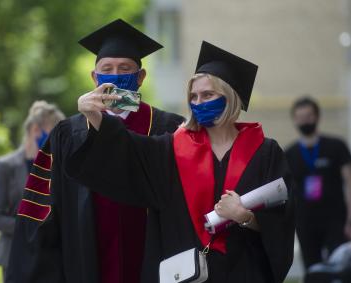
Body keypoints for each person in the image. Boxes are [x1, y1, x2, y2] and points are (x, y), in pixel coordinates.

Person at [66, 41, 295, 283]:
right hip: (187, 273)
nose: (198, 103)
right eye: (193, 96)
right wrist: (94, 115)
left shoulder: (264, 152)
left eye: (208, 95)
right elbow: (126, 149)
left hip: (244, 272)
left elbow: (282, 220)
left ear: (229, 97)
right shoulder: (172, 149)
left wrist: (244, 216)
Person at [6, 19, 184, 283]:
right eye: (107, 69)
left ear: (141, 77)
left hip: (152, 260)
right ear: (94, 77)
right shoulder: (66, 134)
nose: (115, 75)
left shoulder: (169, 128)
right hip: (86, 261)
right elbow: (40, 211)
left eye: (124, 68)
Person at [0, 100, 65, 281]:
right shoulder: (5, 166)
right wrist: (32, 228)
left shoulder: (60, 166)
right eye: (54, 133)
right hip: (15, 258)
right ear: (35, 130)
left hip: (53, 260)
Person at [285, 97, 351, 279]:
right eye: (300, 117)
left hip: (336, 219)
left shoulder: (336, 146)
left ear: (317, 117)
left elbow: (348, 182)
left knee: (340, 266)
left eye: (308, 116)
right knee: (312, 270)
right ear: (294, 120)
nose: (305, 121)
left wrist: (349, 218)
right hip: (306, 221)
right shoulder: (289, 154)